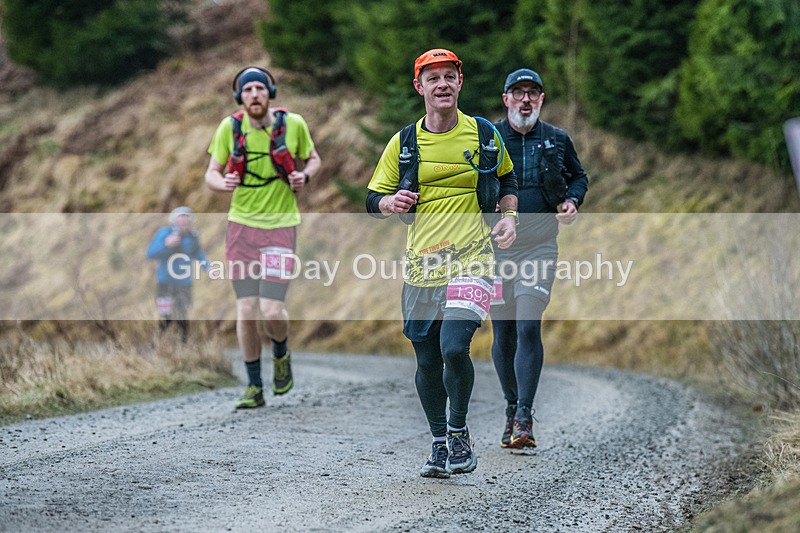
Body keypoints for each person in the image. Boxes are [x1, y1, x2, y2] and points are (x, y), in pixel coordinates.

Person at [366, 49, 518, 478]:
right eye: (432, 78)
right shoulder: (404, 143)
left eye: (449, 76)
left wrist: (509, 217)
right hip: (422, 266)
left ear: (460, 82)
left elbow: (507, 178)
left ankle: (457, 431)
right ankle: (438, 442)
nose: (442, 84)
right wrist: (390, 203)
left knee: (454, 347)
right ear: (420, 87)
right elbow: (372, 199)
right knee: (428, 362)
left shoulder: (484, 133)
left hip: (473, 259)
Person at [205, 66, 321, 409]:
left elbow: (314, 159)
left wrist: (304, 176)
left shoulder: (293, 124)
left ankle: (281, 351)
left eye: (259, 88)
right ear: (239, 97)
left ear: (270, 93)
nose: (254, 94)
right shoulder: (230, 128)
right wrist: (222, 183)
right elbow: (211, 173)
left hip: (281, 226)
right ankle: (254, 387)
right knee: (246, 309)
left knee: (271, 310)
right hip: (241, 228)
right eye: (247, 89)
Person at [490, 68, 589, 449]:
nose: (526, 100)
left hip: (540, 247)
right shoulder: (489, 137)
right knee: (504, 332)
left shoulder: (557, 139)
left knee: (528, 324)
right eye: (518, 93)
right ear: (506, 99)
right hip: (495, 251)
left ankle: (524, 416)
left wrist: (572, 200)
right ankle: (510, 407)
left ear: (541, 99)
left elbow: (579, 177)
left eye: (533, 93)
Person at [146, 206, 208, 343]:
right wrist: (166, 245)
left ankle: (183, 347)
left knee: (182, 315)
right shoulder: (164, 233)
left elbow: (198, 253)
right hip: (165, 282)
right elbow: (150, 254)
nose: (183, 222)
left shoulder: (193, 237)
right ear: (174, 220)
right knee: (166, 317)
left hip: (184, 283)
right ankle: (156, 345)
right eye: (180, 219)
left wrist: (207, 267)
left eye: (186, 219)